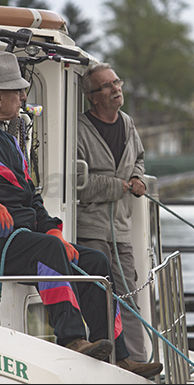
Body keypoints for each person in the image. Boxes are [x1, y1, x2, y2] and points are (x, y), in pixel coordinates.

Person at [0, 51, 162, 378]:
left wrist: (52, 230)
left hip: (17, 237)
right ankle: (72, 340)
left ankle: (120, 357)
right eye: (18, 91)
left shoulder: (8, 136)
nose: (24, 96)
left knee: (94, 262)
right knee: (47, 250)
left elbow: (29, 199)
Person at [76, 63, 149, 363]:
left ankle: (138, 362)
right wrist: (118, 186)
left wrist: (139, 179)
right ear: (92, 97)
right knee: (101, 298)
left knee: (129, 297)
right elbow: (76, 184)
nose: (115, 88)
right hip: (90, 230)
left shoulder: (128, 124)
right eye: (106, 86)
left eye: (116, 82)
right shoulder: (78, 130)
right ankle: (107, 364)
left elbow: (139, 160)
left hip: (120, 229)